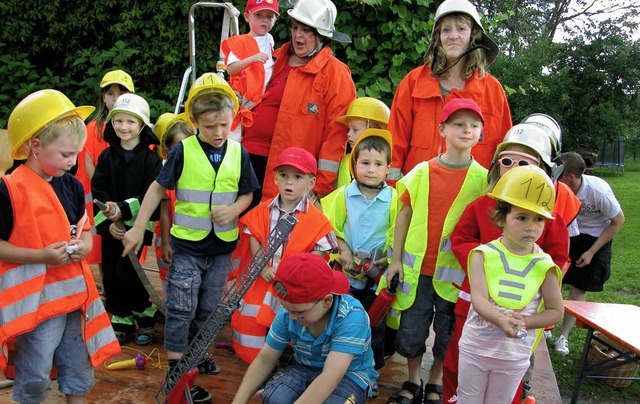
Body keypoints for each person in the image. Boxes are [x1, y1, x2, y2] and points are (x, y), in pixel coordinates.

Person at [122, 73, 260, 403]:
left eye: (224, 125)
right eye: (210, 126)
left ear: (232, 120)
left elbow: (248, 193)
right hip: (187, 246)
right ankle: (176, 369)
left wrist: (235, 211)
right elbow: (158, 188)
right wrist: (139, 226)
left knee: (210, 309)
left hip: (221, 247)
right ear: (195, 121)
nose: (218, 133)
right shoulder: (183, 151)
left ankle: (196, 358)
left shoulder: (239, 153)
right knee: (181, 307)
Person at [1, 89, 120, 403]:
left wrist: (82, 245)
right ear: (35, 146)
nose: (72, 162)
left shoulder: (72, 185)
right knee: (36, 368)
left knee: (78, 364)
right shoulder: (9, 190)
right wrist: (40, 256)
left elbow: (83, 229)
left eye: (77, 154)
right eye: (66, 154)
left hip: (74, 298)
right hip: (36, 304)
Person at [443, 122, 575, 403]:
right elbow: (461, 238)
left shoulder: (549, 221)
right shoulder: (482, 206)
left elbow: (558, 259)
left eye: (525, 163)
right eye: (507, 161)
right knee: (457, 367)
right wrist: (489, 262)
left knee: (508, 384)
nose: (515, 168)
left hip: (520, 316)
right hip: (473, 305)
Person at [382, 98, 488, 404]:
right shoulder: (420, 172)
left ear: (481, 131)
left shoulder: (484, 181)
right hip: (417, 275)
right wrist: (396, 260)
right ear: (442, 129)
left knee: (448, 332)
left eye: (474, 125)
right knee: (411, 330)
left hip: (456, 279)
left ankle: (435, 380)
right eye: (458, 124)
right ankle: (412, 379)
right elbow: (403, 214)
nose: (467, 130)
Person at [457, 165, 564, 403]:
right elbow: (479, 299)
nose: (531, 226)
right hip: (476, 349)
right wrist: (502, 321)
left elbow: (556, 311)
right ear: (501, 217)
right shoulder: (482, 255)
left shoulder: (543, 265)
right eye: (522, 217)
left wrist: (524, 321)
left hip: (514, 355)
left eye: (539, 219)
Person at [242, 0, 356, 208]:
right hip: (247, 160)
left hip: (288, 175)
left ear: (321, 35)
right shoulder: (274, 58)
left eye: (306, 30)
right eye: (294, 27)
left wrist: (318, 187)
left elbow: (336, 135)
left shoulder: (335, 73)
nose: (297, 35)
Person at [231, 146, 338, 363]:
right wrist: (262, 267)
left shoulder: (317, 220)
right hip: (263, 281)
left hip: (294, 289)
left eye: (297, 177)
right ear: (275, 179)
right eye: (284, 175)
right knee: (252, 321)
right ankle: (257, 362)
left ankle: (286, 358)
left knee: (291, 323)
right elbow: (254, 238)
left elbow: (320, 252)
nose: (289, 182)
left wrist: (296, 275)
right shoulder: (262, 210)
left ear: (311, 183)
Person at [387, 0, 511, 184]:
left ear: (473, 36)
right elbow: (394, 143)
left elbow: (505, 154)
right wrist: (393, 193)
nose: (453, 35)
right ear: (438, 37)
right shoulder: (413, 83)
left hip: (472, 200)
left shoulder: (492, 90)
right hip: (419, 195)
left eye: (461, 29)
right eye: (446, 30)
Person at [232, 253, 379, 404]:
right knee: (274, 399)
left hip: (349, 374)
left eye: (299, 313)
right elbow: (264, 360)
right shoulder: (290, 312)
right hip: (304, 366)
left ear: (327, 301)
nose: (291, 317)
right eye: (286, 309)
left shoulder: (352, 317)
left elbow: (331, 375)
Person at [321, 129, 397, 371]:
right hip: (348, 269)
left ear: (388, 168)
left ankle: (370, 369)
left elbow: (398, 232)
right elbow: (331, 225)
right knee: (342, 315)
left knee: (374, 322)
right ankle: (335, 364)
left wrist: (387, 259)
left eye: (378, 164)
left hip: (377, 274)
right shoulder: (344, 195)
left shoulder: (394, 199)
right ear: (354, 165)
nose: (371, 169)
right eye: (365, 163)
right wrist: (343, 249)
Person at [91, 93, 163, 346]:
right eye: (118, 121)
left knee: (132, 274)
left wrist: (124, 209)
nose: (124, 127)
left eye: (131, 122)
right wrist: (109, 221)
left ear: (142, 126)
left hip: (138, 227)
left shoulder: (151, 160)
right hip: (112, 230)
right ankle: (120, 319)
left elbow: (152, 194)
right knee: (111, 274)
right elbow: (98, 192)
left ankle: (145, 317)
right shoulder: (106, 157)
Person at [554, 152, 625, 355]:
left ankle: (563, 336)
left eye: (558, 174)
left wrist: (592, 251)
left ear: (570, 177)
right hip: (569, 230)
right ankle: (548, 327)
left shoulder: (598, 191)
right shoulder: (558, 188)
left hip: (595, 236)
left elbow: (618, 221)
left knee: (579, 286)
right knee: (555, 278)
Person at [75, 69, 136, 265]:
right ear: (103, 96)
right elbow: (91, 167)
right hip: (101, 203)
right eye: (110, 93)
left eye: (122, 93)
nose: (116, 98)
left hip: (128, 202)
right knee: (104, 251)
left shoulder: (139, 129)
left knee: (129, 251)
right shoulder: (92, 129)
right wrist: (108, 199)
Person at [221, 0, 279, 143]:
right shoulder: (242, 41)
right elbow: (231, 69)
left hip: (261, 98)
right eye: (259, 15)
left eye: (270, 16)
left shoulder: (269, 39)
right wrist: (252, 59)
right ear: (247, 17)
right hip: (244, 98)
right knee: (233, 138)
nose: (264, 20)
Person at [152, 112, 195, 296]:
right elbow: (165, 213)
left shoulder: (199, 173)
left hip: (191, 241)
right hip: (169, 241)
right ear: (167, 151)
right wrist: (167, 244)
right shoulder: (166, 177)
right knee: (169, 279)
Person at [334, 97, 391, 188]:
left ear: (373, 129)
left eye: (355, 130)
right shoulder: (344, 160)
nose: (349, 134)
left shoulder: (387, 161)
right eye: (349, 129)